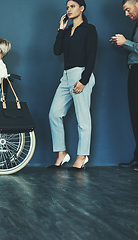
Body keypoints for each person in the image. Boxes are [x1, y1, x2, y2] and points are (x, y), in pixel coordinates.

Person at [48, 0, 97, 170]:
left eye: (72, 6)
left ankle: (82, 156)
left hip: (81, 75)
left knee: (83, 118)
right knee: (54, 114)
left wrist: (84, 80)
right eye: (67, 7)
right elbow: (57, 50)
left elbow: (92, 56)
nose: (69, 9)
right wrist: (61, 30)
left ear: (82, 8)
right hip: (66, 76)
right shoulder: (67, 30)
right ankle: (62, 154)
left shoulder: (89, 29)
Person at [110, 0, 138, 172]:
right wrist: (122, 44)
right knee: (135, 116)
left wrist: (126, 42)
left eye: (127, 9)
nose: (126, 14)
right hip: (133, 72)